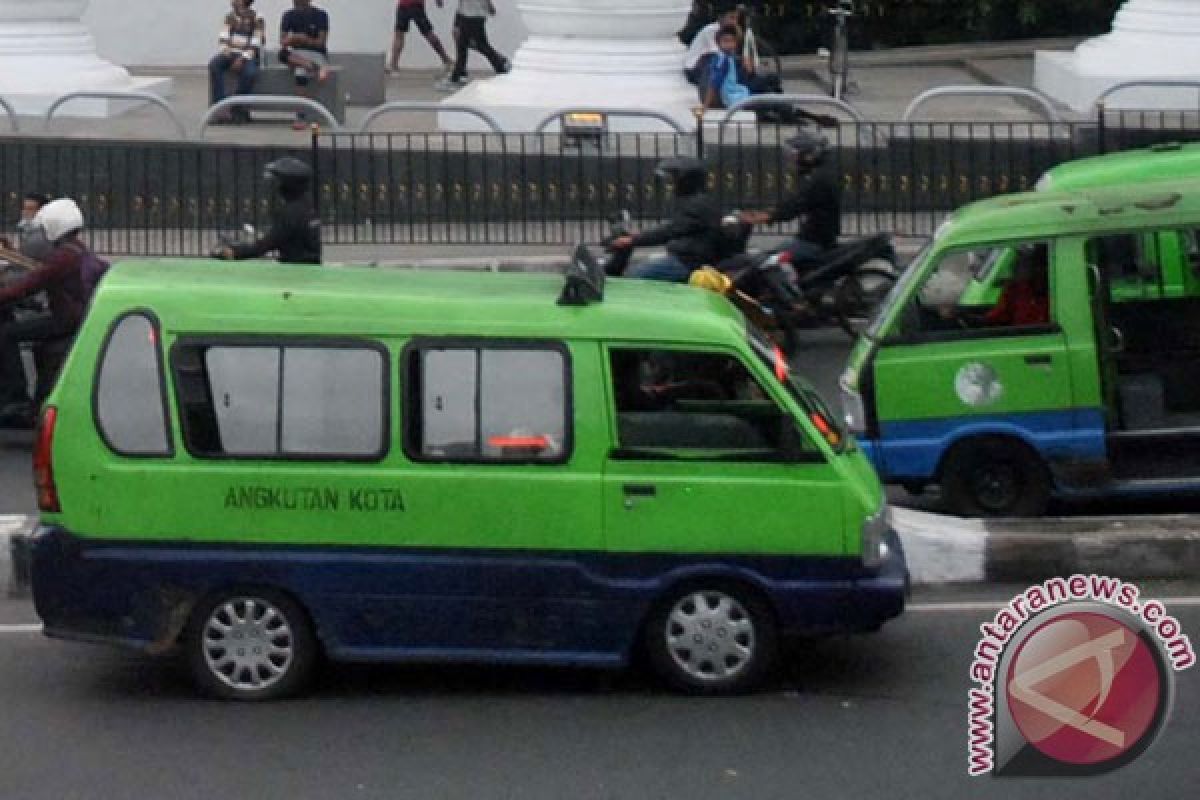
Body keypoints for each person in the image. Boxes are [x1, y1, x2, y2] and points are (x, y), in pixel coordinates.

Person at [0, 199, 91, 426]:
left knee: (7, 333)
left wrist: (5, 294)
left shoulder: (62, 257)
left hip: (65, 320)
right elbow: (38, 273)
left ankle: (15, 396)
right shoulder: (75, 250)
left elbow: (31, 283)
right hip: (70, 316)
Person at [609, 158, 724, 283]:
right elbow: (673, 227)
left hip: (689, 262)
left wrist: (632, 240)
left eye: (674, 179)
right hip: (685, 257)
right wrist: (636, 236)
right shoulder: (694, 201)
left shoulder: (698, 205)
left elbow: (669, 231)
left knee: (631, 278)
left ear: (686, 181)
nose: (672, 184)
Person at [740, 131, 840, 271]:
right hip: (817, 239)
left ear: (809, 156)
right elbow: (795, 202)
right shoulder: (818, 175)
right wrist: (768, 212)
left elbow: (794, 207)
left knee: (766, 262)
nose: (792, 159)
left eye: (795, 154)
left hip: (814, 242)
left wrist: (766, 216)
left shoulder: (818, 180)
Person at [216, 158, 322, 265]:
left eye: (279, 181)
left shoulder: (290, 213)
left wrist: (235, 252)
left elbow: (267, 244)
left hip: (295, 271)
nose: (276, 186)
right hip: (310, 267)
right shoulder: (308, 207)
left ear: (288, 185)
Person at [209, 0, 266, 123]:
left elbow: (256, 43)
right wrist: (227, 52)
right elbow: (223, 38)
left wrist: (242, 58)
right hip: (230, 52)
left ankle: (237, 107)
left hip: (248, 55)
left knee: (249, 73)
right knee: (214, 65)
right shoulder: (230, 17)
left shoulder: (257, 17)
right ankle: (220, 107)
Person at [280, 0, 332, 131]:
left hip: (315, 53)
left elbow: (321, 43)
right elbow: (283, 41)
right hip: (297, 53)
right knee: (282, 54)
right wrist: (294, 38)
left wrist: (305, 40)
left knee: (300, 72)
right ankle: (313, 66)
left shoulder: (320, 15)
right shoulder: (288, 15)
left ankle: (301, 116)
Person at [437, 0, 510, 92]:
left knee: (472, 46)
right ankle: (458, 76)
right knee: (466, 45)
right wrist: (490, 7)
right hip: (472, 15)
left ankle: (457, 77)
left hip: (470, 16)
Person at [983, 244, 1050, 327]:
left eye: (1043, 266)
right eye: (1036, 265)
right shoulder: (1015, 291)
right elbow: (996, 317)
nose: (1040, 270)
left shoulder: (1060, 294)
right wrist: (974, 320)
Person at [389, 0, 453, 76]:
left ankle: (446, 60)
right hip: (405, 5)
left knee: (427, 33)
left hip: (412, 6)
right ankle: (393, 65)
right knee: (399, 34)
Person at [684, 5, 739, 89]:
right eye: (731, 18)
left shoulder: (729, 31)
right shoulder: (711, 30)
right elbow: (718, 51)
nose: (734, 22)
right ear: (721, 18)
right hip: (694, 67)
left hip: (704, 66)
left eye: (736, 19)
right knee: (716, 58)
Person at [704, 25, 751, 110]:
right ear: (718, 43)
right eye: (725, 41)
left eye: (732, 41)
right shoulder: (722, 60)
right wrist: (706, 105)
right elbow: (714, 82)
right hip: (731, 96)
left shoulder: (730, 57)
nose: (729, 44)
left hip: (736, 90)